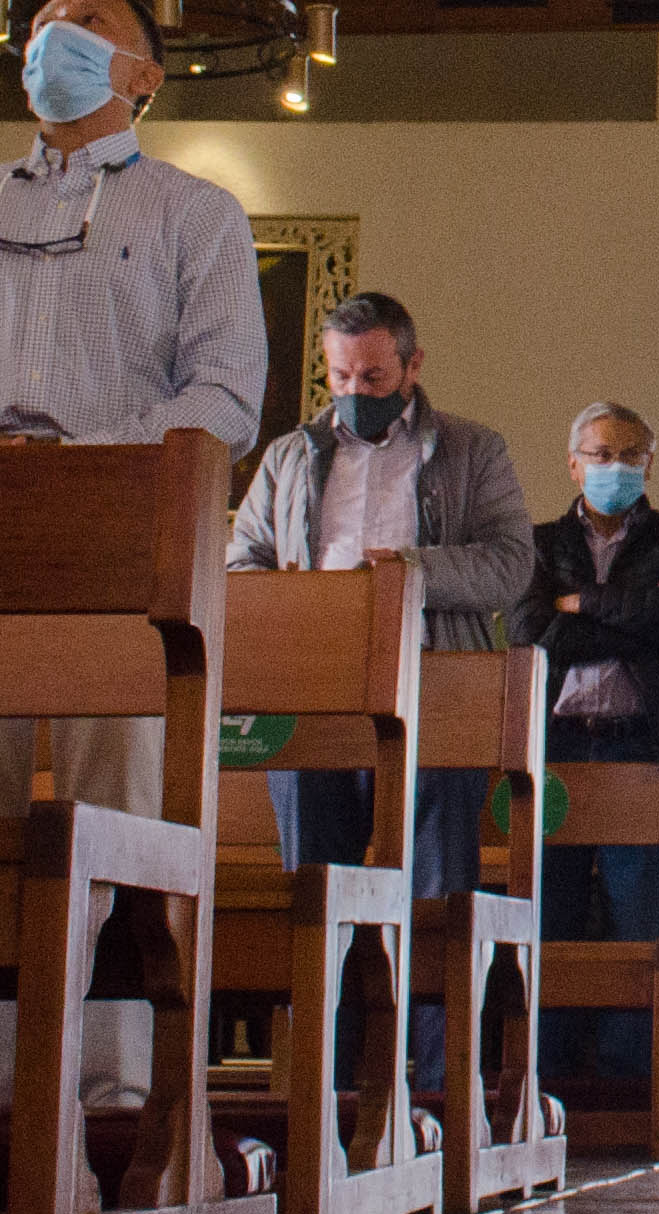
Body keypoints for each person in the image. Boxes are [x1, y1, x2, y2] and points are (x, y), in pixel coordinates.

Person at [0, 0, 266, 1115]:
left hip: (119, 524)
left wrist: (89, 464)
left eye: (89, 23)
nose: (52, 37)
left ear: (144, 77)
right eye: (41, 24)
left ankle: (114, 1089)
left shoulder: (196, 214)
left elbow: (224, 394)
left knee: (118, 805)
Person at [218, 292, 536, 949]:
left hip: (436, 691)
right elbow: (241, 564)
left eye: (373, 377)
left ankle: (432, 1019)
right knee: (316, 893)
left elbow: (511, 565)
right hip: (313, 697)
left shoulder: (473, 450)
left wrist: (410, 571)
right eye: (340, 376)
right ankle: (324, 1016)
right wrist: (296, 602)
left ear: (413, 366)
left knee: (434, 897)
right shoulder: (289, 455)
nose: (354, 392)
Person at [526, 403, 659, 1094]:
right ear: (574, 464)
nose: (615, 467)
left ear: (650, 464)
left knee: (638, 918)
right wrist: (637, 610)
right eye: (601, 454)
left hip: (644, 747)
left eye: (630, 454)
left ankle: (627, 1081)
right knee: (551, 912)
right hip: (557, 748)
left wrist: (581, 602)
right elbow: (531, 631)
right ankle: (545, 1076)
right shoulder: (540, 543)